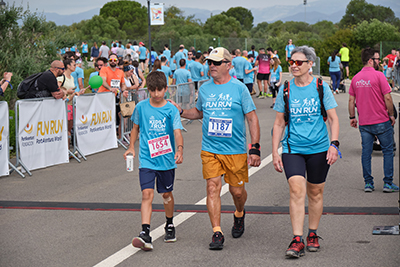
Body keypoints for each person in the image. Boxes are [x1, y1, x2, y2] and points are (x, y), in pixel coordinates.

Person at [168, 47, 261, 250]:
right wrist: (182, 111)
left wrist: (255, 148)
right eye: (210, 62)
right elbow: (199, 112)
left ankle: (239, 213)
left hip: (235, 150)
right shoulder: (205, 89)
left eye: (217, 63)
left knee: (237, 193)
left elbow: (252, 117)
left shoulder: (239, 88)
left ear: (228, 65)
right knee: (212, 188)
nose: (211, 66)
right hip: (210, 148)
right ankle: (217, 232)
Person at [272, 45, 339, 258]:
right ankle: (297, 239)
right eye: (291, 62)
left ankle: (312, 233)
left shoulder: (321, 86)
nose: (293, 66)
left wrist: (334, 144)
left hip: (319, 148)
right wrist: (275, 151)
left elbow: (334, 119)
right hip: (293, 149)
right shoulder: (286, 89)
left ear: (310, 64)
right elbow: (278, 124)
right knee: (296, 189)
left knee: (316, 192)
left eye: (299, 62)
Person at [123, 71, 184, 251]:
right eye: (153, 90)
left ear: (166, 89)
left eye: (160, 90)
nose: (156, 94)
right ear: (148, 90)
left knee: (166, 195)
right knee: (146, 194)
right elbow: (135, 128)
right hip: (147, 159)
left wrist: (179, 149)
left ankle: (170, 224)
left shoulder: (171, 109)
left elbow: (177, 132)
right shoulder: (141, 107)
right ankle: (145, 233)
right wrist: (131, 147)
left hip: (166, 160)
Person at [348, 47, 399, 193]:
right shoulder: (379, 76)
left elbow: (351, 100)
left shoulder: (356, 78)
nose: (378, 61)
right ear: (370, 60)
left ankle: (368, 183)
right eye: (377, 59)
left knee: (366, 152)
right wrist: (391, 115)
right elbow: (388, 97)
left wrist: (352, 117)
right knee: (388, 151)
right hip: (381, 120)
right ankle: (388, 183)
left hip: (364, 123)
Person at [98, 53, 128, 138]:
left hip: (114, 98)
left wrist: (124, 90)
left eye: (114, 60)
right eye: (111, 60)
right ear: (108, 61)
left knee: (117, 117)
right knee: (104, 118)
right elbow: (102, 81)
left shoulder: (120, 72)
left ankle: (117, 137)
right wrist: (110, 88)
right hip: (103, 96)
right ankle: (103, 137)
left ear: (117, 61)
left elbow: (123, 84)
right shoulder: (104, 69)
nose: (113, 62)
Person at [58, 58, 77, 143]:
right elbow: (57, 89)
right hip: (64, 105)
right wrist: (67, 92)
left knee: (69, 128)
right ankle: (66, 151)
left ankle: (69, 151)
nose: (75, 66)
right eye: (74, 65)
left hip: (71, 104)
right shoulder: (62, 77)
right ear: (68, 66)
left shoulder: (72, 77)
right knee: (65, 129)